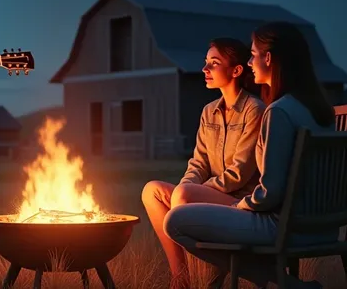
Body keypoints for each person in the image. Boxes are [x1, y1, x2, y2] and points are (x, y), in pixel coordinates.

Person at [164, 21, 338, 289]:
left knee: (175, 221)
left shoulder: (278, 112)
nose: (250, 63)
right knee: (170, 198)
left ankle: (284, 284)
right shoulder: (323, 114)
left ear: (268, 58)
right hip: (323, 228)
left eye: (254, 55)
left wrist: (239, 206)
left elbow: (270, 192)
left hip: (281, 227)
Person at [141, 37, 265, 288]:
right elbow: (198, 163)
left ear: (236, 70)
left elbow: (240, 172)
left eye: (214, 63)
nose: (205, 69)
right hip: (210, 193)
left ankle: (203, 279)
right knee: (152, 191)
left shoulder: (255, 110)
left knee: (185, 194)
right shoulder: (209, 111)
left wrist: (193, 192)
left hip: (240, 200)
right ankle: (181, 278)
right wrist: (184, 189)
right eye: (205, 62)